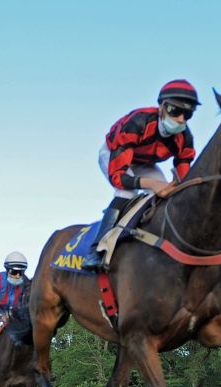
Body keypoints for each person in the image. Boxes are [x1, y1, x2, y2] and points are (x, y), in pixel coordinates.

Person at [83, 79, 201, 271]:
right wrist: (152, 184)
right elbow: (119, 177)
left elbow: (184, 175)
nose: (181, 119)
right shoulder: (137, 122)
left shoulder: (185, 138)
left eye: (187, 114)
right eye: (175, 110)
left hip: (144, 163)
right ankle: (96, 250)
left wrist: (181, 186)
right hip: (113, 155)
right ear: (161, 107)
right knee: (126, 193)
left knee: (167, 195)